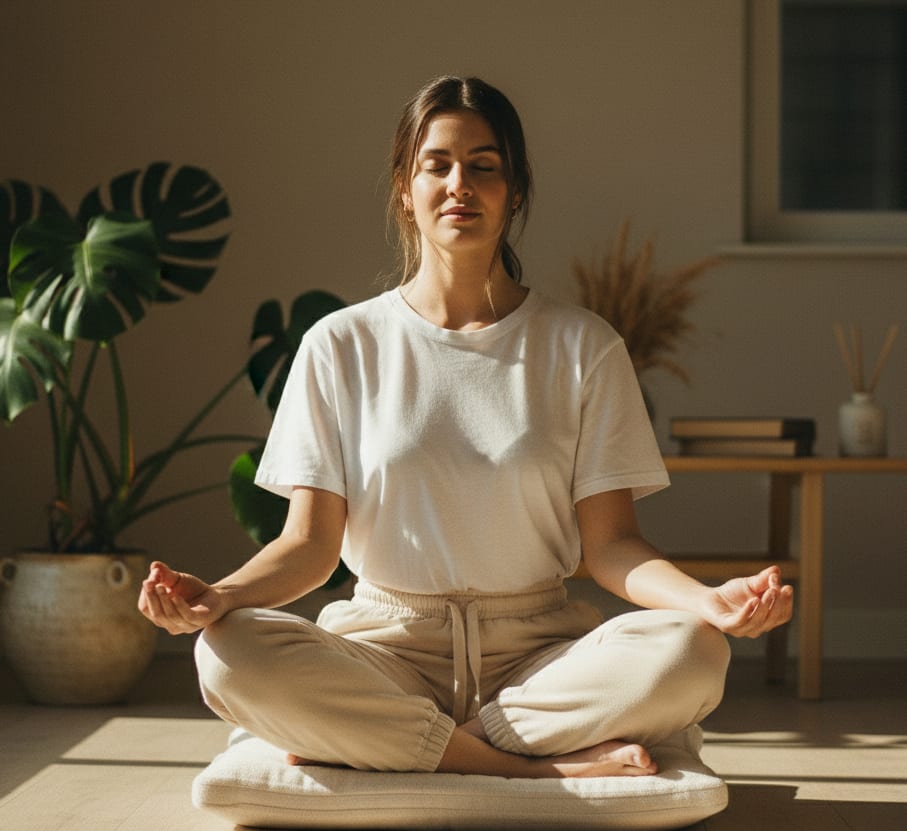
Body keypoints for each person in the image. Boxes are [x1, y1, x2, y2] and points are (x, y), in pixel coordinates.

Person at [139, 75, 793, 780]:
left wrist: (707, 601)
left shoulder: (583, 345)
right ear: (404, 187)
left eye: (484, 167)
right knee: (226, 652)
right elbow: (309, 545)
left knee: (695, 651)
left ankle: (399, 744)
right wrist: (221, 597)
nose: (459, 184)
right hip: (384, 650)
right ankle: (523, 768)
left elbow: (612, 547)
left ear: (513, 193)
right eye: (437, 164)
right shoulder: (339, 344)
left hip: (538, 660)